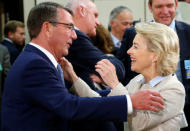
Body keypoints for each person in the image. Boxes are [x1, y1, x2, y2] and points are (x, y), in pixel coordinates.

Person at [1, 2, 164, 131]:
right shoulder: (35, 64)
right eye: (69, 27)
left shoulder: (40, 59)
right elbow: (69, 106)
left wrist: (126, 94)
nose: (74, 35)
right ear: (48, 28)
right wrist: (130, 101)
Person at [68, 22, 187, 131]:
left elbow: (139, 123)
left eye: (135, 46)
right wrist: (73, 77)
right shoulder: (137, 81)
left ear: (155, 55)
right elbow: (99, 102)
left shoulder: (174, 89)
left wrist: (114, 84)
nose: (129, 51)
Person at [117, 2, 190, 129]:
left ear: (176, 5)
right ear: (150, 7)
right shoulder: (136, 81)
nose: (165, 11)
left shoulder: (188, 32)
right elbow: (120, 62)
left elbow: (139, 122)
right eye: (159, 6)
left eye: (169, 5)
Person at [65, 0, 125, 90]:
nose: (98, 23)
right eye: (95, 15)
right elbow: (118, 71)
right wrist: (108, 56)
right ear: (82, 10)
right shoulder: (77, 38)